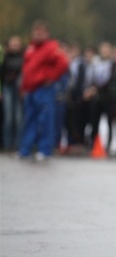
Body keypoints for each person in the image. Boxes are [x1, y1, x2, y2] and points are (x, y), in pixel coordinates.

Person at [19, 20, 69, 161]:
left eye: (41, 32)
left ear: (47, 33)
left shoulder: (51, 47)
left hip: (43, 89)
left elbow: (63, 63)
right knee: (29, 120)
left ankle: (45, 150)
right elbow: (26, 70)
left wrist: (50, 77)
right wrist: (24, 88)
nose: (38, 34)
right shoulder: (31, 48)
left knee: (45, 120)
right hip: (30, 89)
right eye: (36, 31)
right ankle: (25, 150)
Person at [1, 36, 24, 151]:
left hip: (19, 88)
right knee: (8, 117)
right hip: (8, 87)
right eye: (13, 44)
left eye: (16, 44)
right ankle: (7, 143)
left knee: (18, 118)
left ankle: (18, 143)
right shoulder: (5, 57)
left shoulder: (23, 57)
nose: (14, 46)